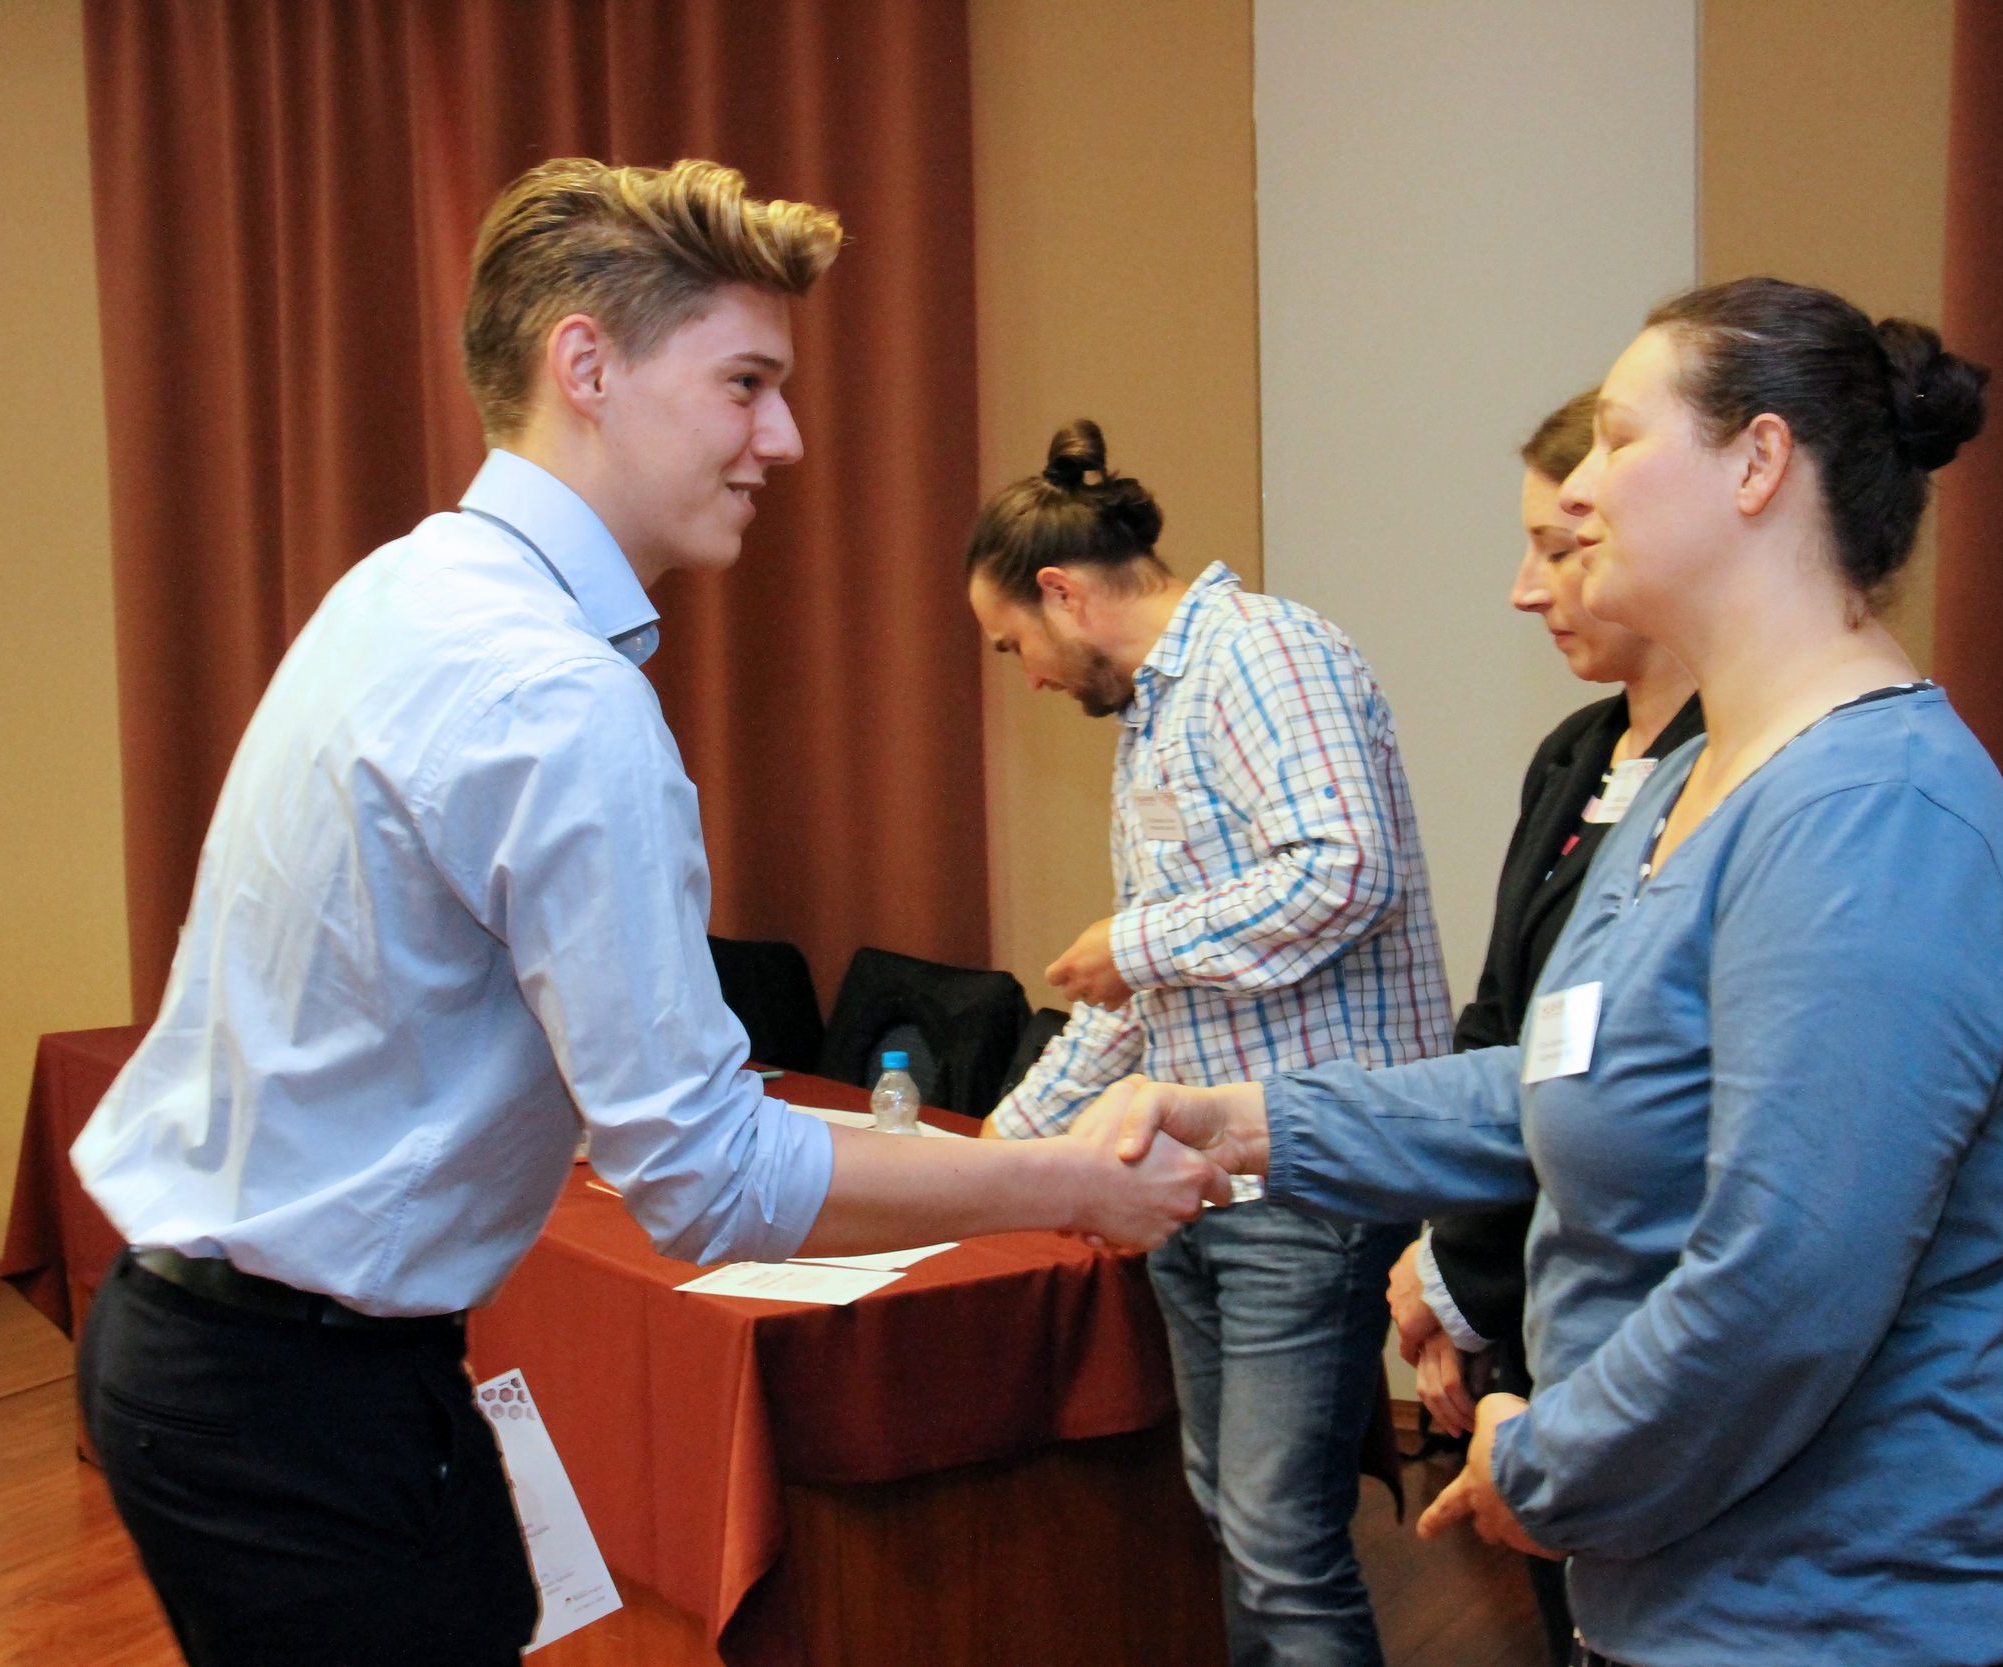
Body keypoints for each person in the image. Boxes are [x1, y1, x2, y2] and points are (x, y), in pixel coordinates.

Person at [68, 160, 1225, 1667]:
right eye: (746, 382)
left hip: (221, 1357)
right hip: (299, 1396)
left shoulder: (406, 585)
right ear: (587, 366)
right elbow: (704, 1177)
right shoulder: (557, 693)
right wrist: (1064, 1181)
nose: (783, 437)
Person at [1079, 278, 2003, 1667]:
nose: (1577, 490)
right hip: (1687, 1596)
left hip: (1884, 1614)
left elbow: (1782, 1293)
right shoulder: (1686, 780)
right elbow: (1562, 1078)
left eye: (1621, 441)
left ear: (1758, 463)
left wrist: (1544, 1463)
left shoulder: (1875, 813)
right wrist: (1257, 1121)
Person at [965, 420, 1452, 1667]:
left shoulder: (1262, 655)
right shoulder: (1155, 717)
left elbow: (1346, 869)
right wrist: (993, 1151)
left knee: (1281, 1537)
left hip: (1306, 1170)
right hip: (1204, 1179)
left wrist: (1136, 939)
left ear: (1062, 592)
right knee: (1233, 1516)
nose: (1027, 677)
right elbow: (1148, 992)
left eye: (1013, 643)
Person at [1385, 389, 1700, 1664]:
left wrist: (1463, 1281)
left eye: (1559, 550)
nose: (1527, 590)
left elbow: (1616, 1086)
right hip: (1529, 1299)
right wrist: (1445, 1265)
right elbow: (1501, 1028)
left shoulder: (1742, 773)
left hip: (1632, 1320)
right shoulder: (1573, 752)